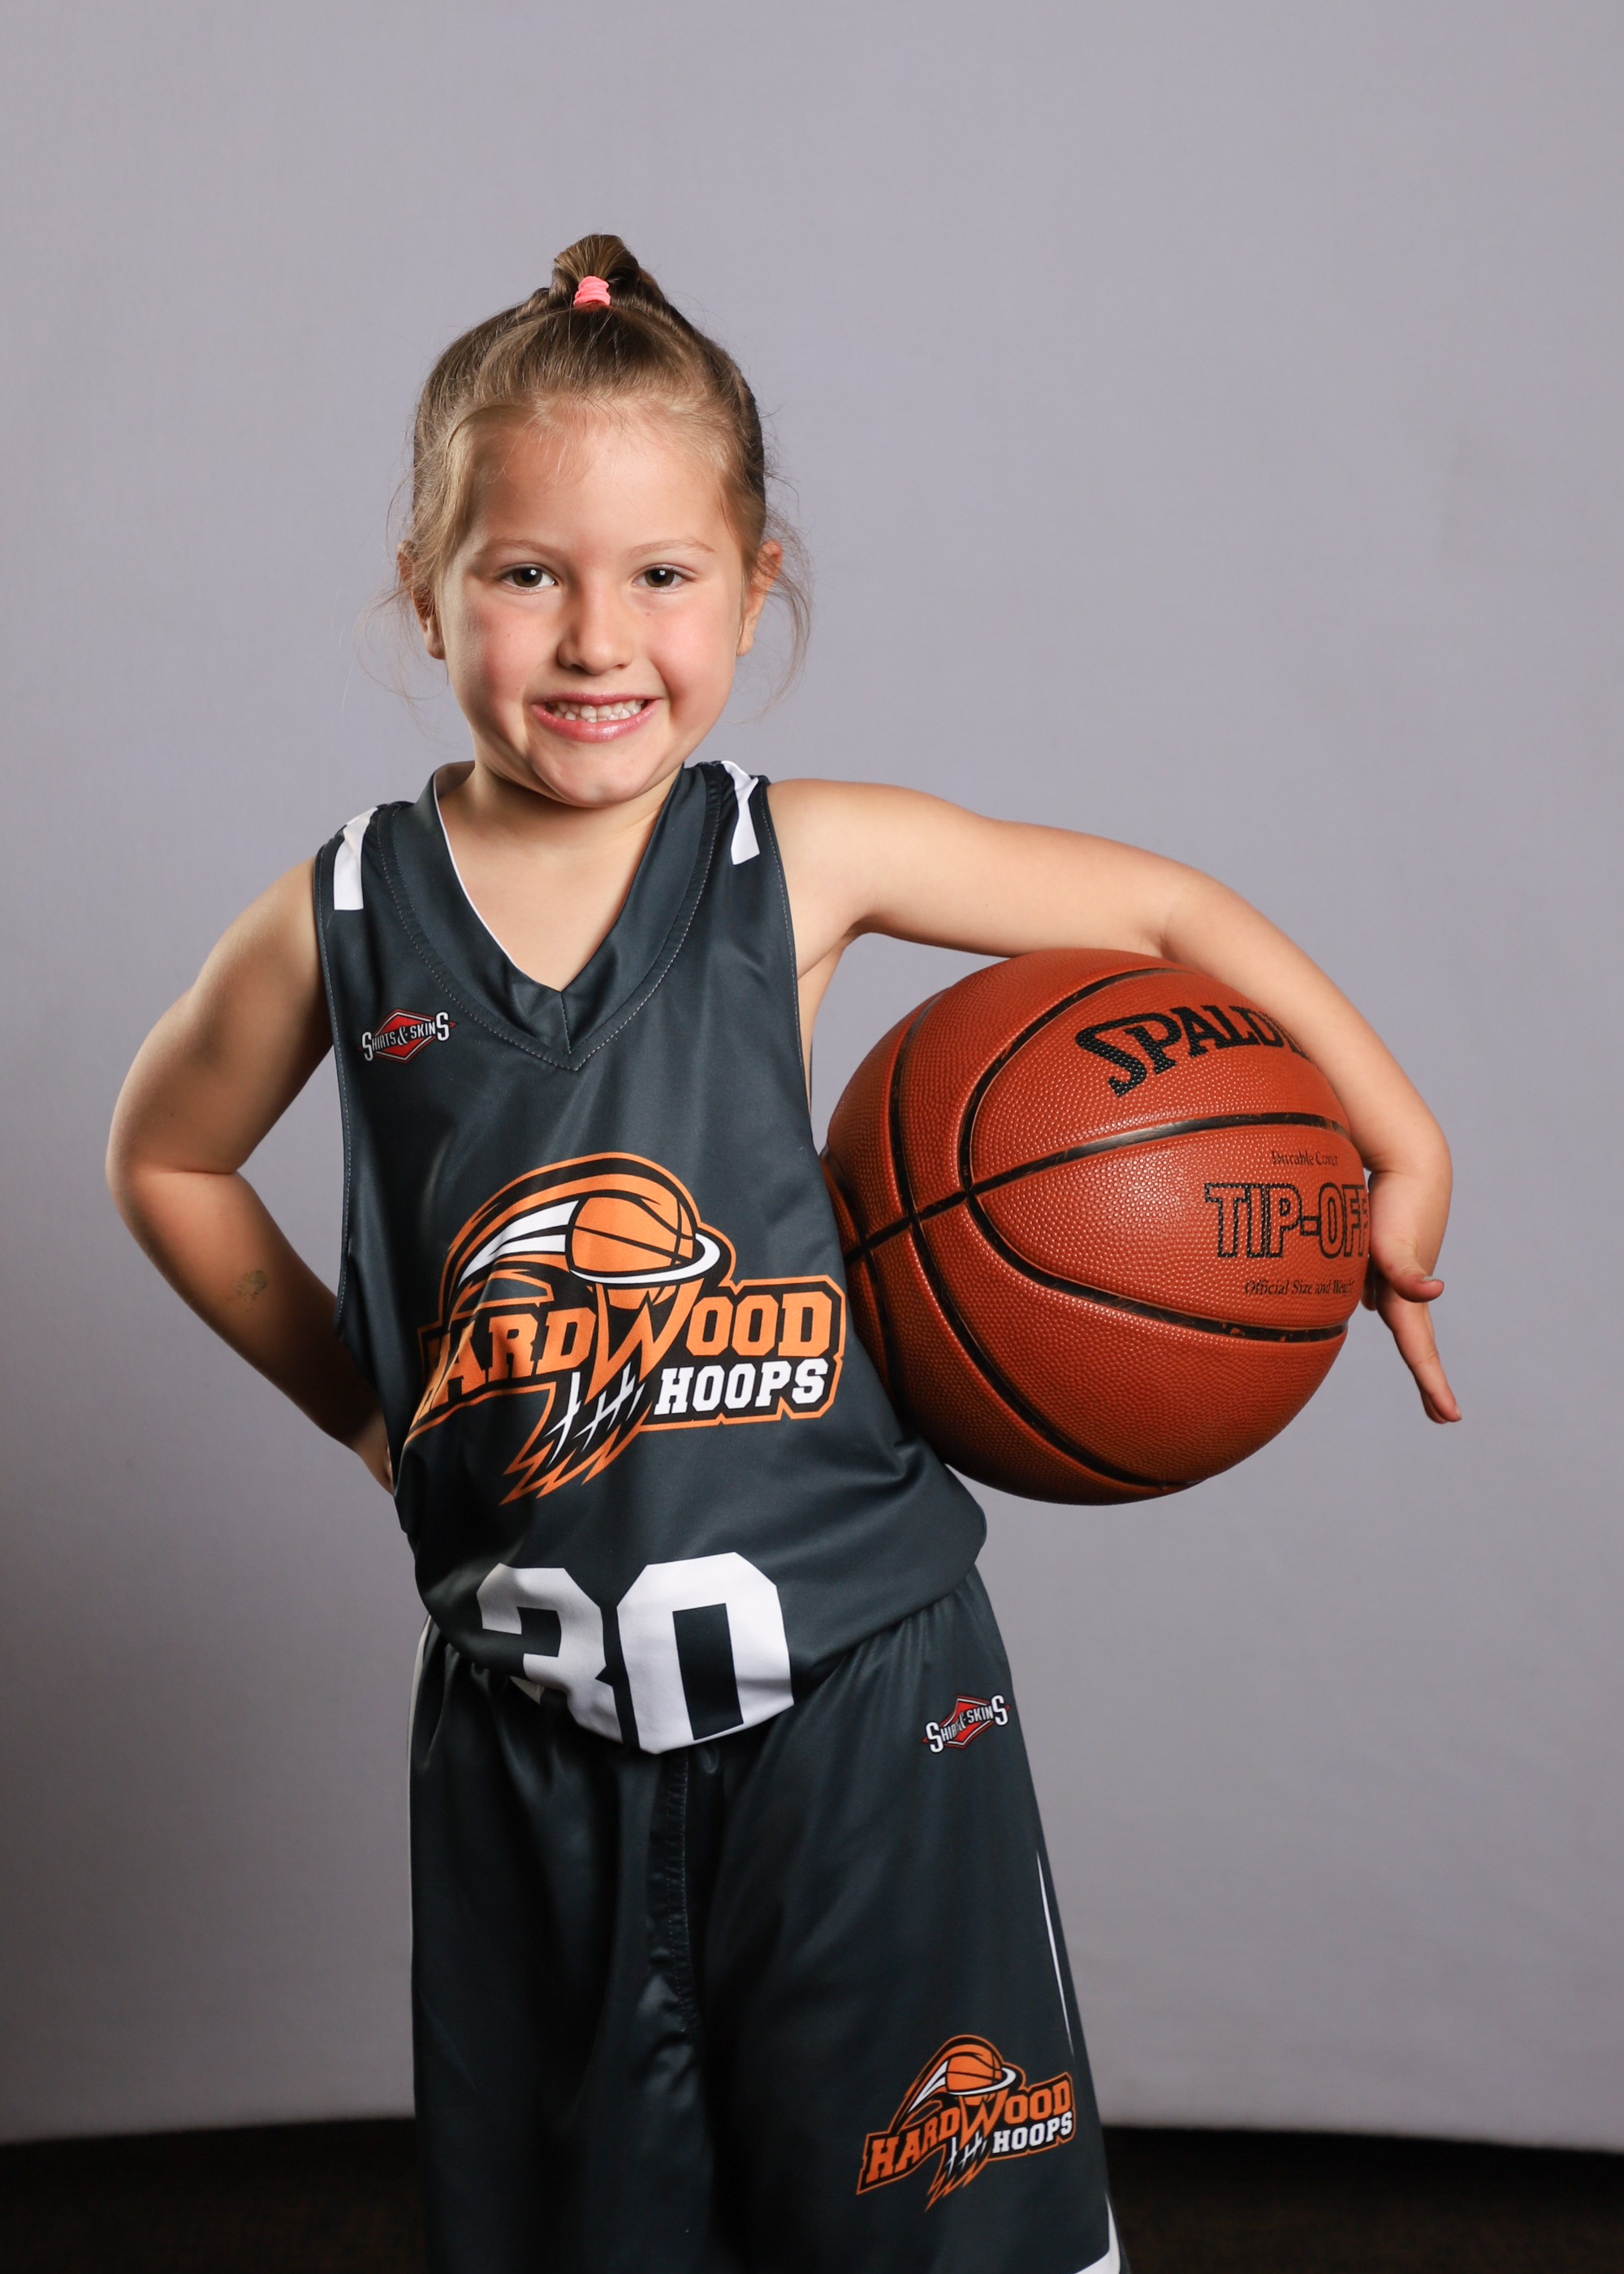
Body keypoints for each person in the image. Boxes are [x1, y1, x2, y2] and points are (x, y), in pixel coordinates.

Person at [107, 234, 1457, 2274]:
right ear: (427, 590)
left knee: (939, 2238)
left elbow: (1166, 916)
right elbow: (168, 1155)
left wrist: (1400, 1141)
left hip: (858, 1703)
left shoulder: (788, 858)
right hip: (534, 1732)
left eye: (663, 574)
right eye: (525, 570)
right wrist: (366, 1409)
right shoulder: (347, 915)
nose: (597, 636)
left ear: (753, 591)